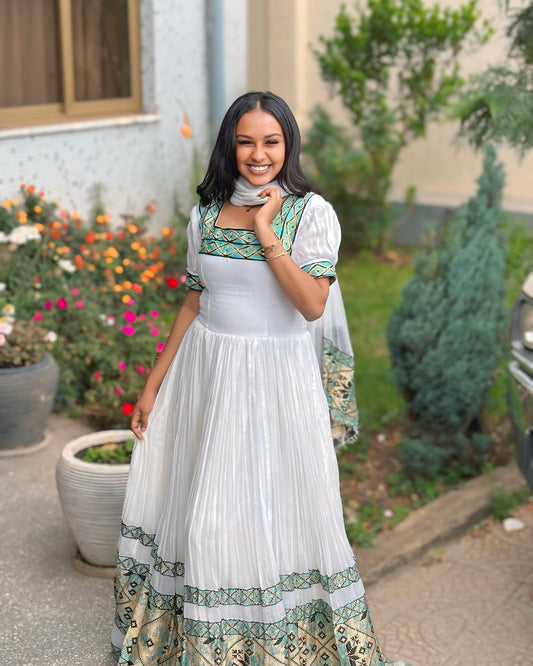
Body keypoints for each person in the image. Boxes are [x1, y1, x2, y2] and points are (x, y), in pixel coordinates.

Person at [111, 91, 396, 665]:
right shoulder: (206, 215)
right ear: (230, 145)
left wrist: (266, 228)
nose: (258, 154)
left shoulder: (310, 213)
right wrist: (153, 385)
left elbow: (312, 305)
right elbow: (194, 302)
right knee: (201, 517)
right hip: (205, 379)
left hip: (275, 385)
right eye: (245, 141)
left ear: (288, 144)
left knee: (273, 516)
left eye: (271, 141)